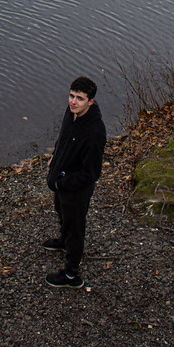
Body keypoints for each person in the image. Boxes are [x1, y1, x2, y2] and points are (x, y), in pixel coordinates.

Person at [44, 76, 106, 289]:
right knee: (60, 211)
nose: (73, 102)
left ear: (91, 102)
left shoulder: (95, 131)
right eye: (71, 96)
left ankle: (71, 275)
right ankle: (63, 241)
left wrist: (63, 183)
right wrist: (55, 154)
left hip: (76, 189)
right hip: (61, 177)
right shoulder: (72, 113)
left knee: (75, 228)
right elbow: (63, 136)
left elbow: (91, 172)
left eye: (79, 98)